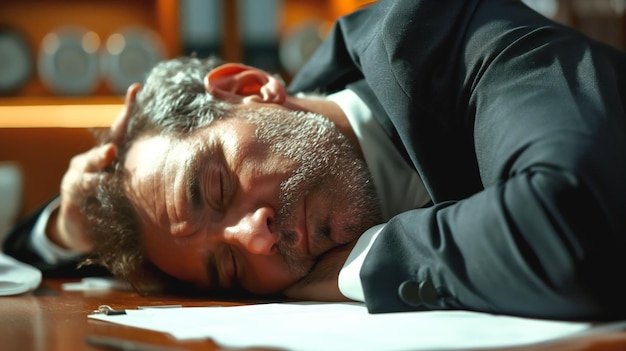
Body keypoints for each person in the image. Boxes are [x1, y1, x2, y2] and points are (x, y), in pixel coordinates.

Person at [4, 0, 626, 320]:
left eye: (216, 186)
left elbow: (574, 230)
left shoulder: (440, 35)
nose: (254, 242)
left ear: (247, 88)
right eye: (225, 269)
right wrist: (71, 224)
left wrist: (369, 262)